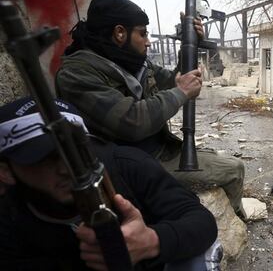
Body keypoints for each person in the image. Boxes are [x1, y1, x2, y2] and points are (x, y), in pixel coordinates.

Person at [55, 0, 244, 212]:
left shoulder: (130, 62)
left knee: (216, 157)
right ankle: (234, 219)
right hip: (131, 169)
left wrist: (189, 45)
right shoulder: (77, 74)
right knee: (234, 169)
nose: (148, 41)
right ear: (119, 33)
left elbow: (173, 81)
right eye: (142, 33)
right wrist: (181, 92)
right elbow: (133, 121)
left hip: (159, 152)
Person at [0, 97, 219, 271]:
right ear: (6, 171)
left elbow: (201, 222)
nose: (67, 169)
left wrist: (152, 241)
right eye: (44, 158)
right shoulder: (10, 219)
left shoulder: (126, 165)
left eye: (77, 152)